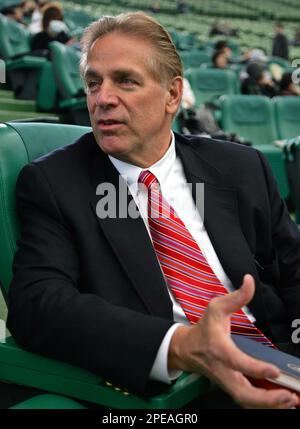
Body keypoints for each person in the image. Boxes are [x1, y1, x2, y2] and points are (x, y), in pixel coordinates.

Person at [6, 12, 300, 410]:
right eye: (94, 82)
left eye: (125, 80)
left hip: (280, 357)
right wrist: (179, 346)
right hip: (182, 393)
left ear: (173, 95)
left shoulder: (242, 167)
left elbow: (294, 272)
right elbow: (38, 305)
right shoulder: (53, 183)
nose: (102, 98)